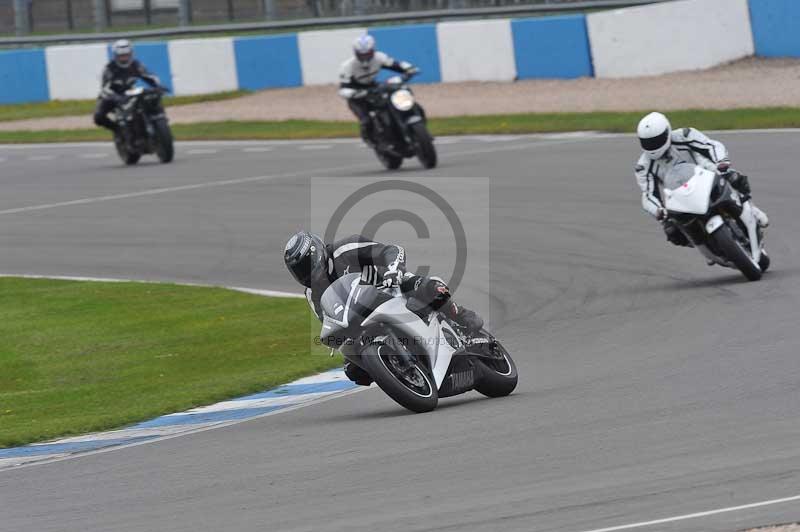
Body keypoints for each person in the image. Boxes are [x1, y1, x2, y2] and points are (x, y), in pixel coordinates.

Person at [284, 232, 484, 385]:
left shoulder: (344, 249)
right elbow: (327, 317)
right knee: (353, 371)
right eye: (298, 271)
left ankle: (459, 314)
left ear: (317, 252)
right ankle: (398, 370)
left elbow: (390, 250)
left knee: (427, 288)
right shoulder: (312, 293)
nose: (304, 274)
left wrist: (392, 271)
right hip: (360, 318)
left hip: (390, 287)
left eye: (306, 265)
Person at [635, 112, 769, 247]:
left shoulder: (685, 135)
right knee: (672, 232)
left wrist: (722, 162)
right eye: (648, 142)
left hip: (706, 177)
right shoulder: (643, 166)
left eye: (656, 140)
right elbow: (647, 195)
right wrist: (658, 210)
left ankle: (752, 208)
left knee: (733, 177)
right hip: (679, 198)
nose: (653, 145)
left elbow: (712, 146)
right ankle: (704, 247)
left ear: (667, 132)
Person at [338, 34, 418, 146]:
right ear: (355, 52)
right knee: (366, 120)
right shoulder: (347, 66)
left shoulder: (379, 57)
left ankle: (411, 121)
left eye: (368, 54)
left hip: (373, 87)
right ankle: (370, 139)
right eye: (361, 54)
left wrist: (410, 68)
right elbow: (342, 89)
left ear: (372, 50)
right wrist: (354, 93)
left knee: (400, 95)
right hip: (357, 96)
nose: (365, 57)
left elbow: (397, 64)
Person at [93, 39, 162, 135]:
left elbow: (149, 76)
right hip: (112, 96)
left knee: (150, 101)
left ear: (131, 54)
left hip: (129, 93)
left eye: (127, 55)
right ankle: (118, 131)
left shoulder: (136, 65)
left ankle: (155, 125)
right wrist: (115, 97)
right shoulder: (109, 68)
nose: (124, 58)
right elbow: (105, 88)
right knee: (98, 117)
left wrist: (158, 86)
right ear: (116, 56)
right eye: (121, 56)